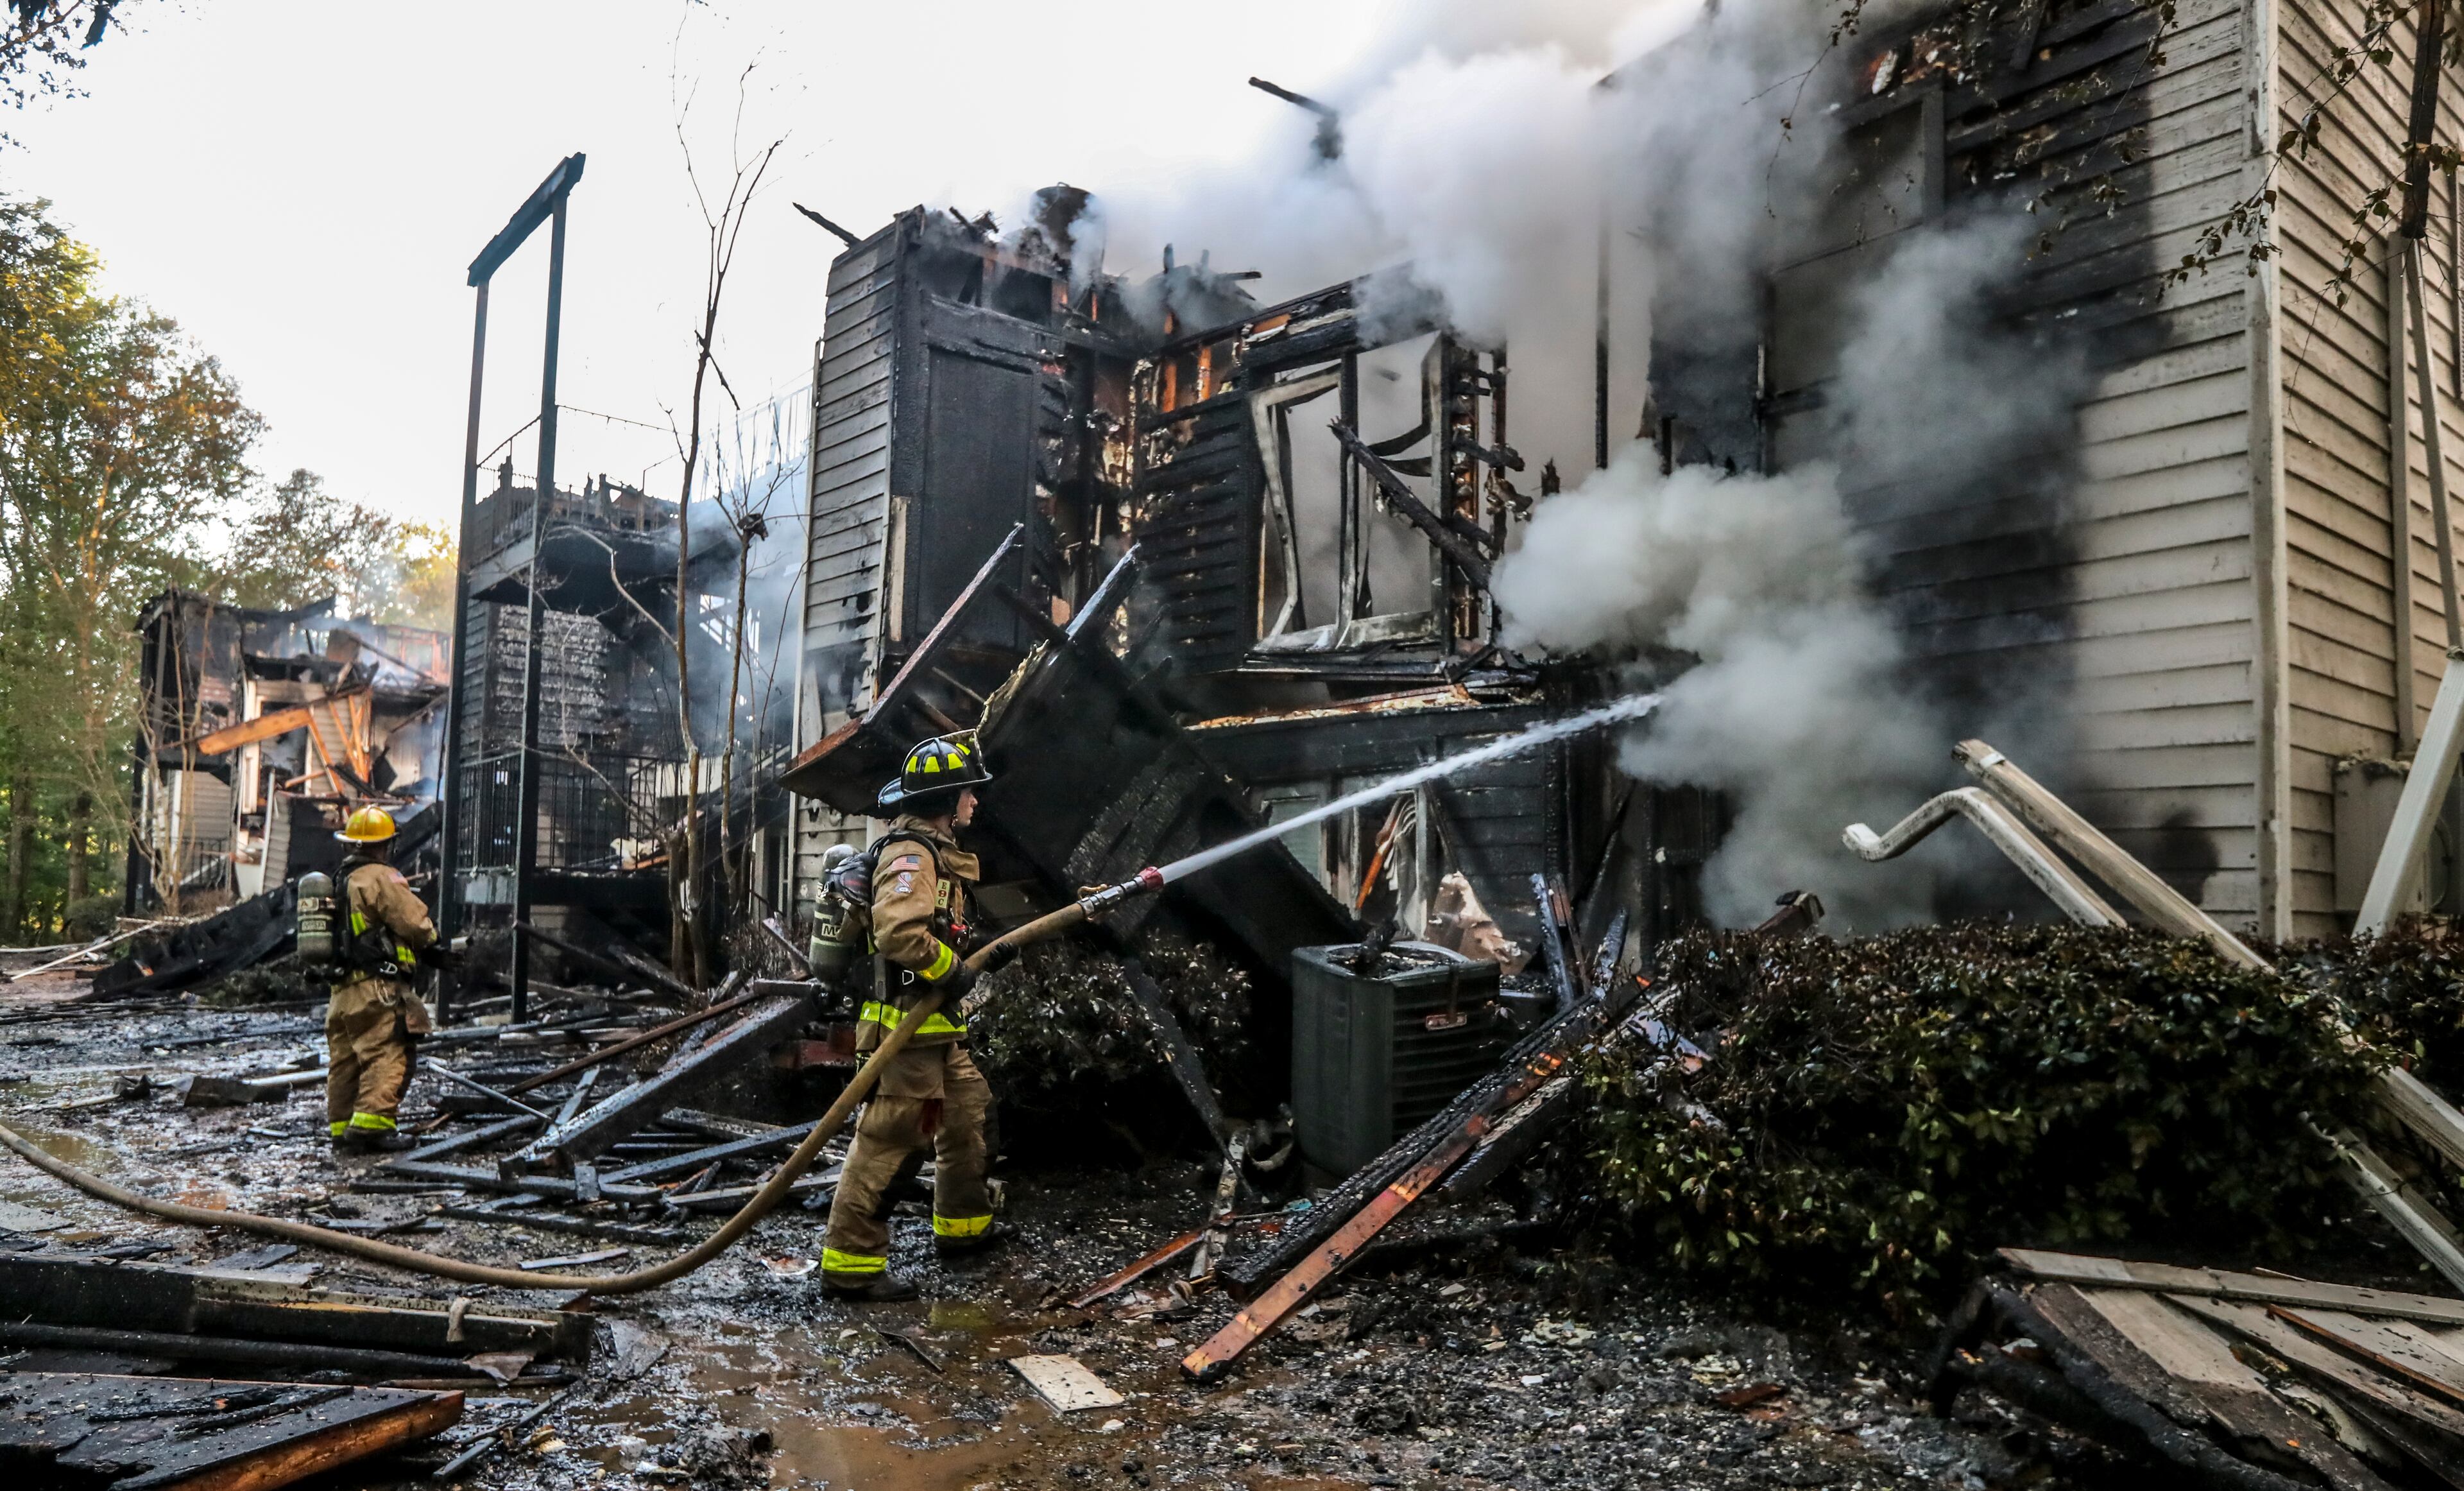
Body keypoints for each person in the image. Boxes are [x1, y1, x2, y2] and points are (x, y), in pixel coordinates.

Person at [821, 732, 1018, 1300]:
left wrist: (986, 948)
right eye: (968, 793)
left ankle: (964, 1228)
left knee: (969, 1116)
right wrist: (952, 970)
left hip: (936, 1032)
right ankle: (850, 1267)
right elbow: (901, 933)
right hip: (901, 1033)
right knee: (891, 1144)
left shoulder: (936, 854)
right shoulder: (912, 855)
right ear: (946, 799)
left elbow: (936, 928)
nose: (975, 803)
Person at [326, 806, 437, 1155]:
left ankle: (342, 1128)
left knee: (344, 1061)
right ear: (385, 845)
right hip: (378, 988)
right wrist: (433, 943)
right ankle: (373, 1128)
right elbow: (414, 923)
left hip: (341, 992)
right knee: (387, 1052)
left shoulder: (337, 880)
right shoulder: (381, 877)